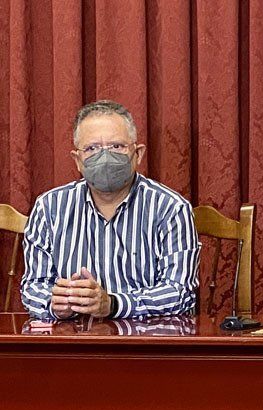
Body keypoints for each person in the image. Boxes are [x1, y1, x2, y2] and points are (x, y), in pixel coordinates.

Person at [20, 100, 200, 319]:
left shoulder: (171, 208)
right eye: (92, 149)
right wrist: (55, 303)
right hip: (75, 341)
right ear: (77, 160)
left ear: (138, 154)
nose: (104, 157)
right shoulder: (49, 208)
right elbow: (33, 287)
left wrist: (113, 304)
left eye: (117, 146)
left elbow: (181, 293)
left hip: (148, 344)